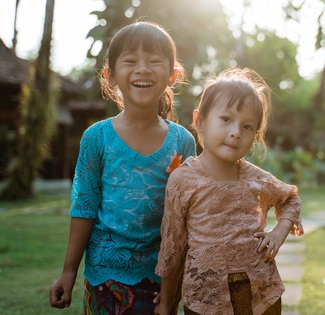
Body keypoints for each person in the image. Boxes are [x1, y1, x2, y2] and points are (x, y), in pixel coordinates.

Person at [49, 21, 196, 315]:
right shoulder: (97, 138)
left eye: (154, 61)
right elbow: (84, 206)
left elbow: (186, 219)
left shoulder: (182, 141)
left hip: (160, 279)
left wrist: (177, 284)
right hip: (104, 275)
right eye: (131, 61)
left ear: (172, 75)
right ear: (111, 75)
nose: (143, 69)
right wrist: (68, 271)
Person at [154, 67, 304, 315]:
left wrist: (279, 231)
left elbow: (290, 198)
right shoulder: (183, 179)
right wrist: (166, 300)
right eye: (226, 119)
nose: (236, 132)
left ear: (255, 135)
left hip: (262, 294)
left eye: (247, 127)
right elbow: (173, 246)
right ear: (199, 121)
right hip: (205, 300)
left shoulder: (256, 178)